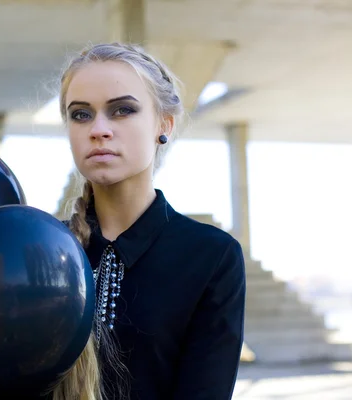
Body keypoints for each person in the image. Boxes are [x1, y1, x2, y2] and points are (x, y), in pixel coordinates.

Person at [52, 42, 246, 400]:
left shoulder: (211, 256)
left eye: (122, 110)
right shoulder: (44, 250)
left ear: (164, 125)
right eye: (81, 114)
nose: (99, 129)